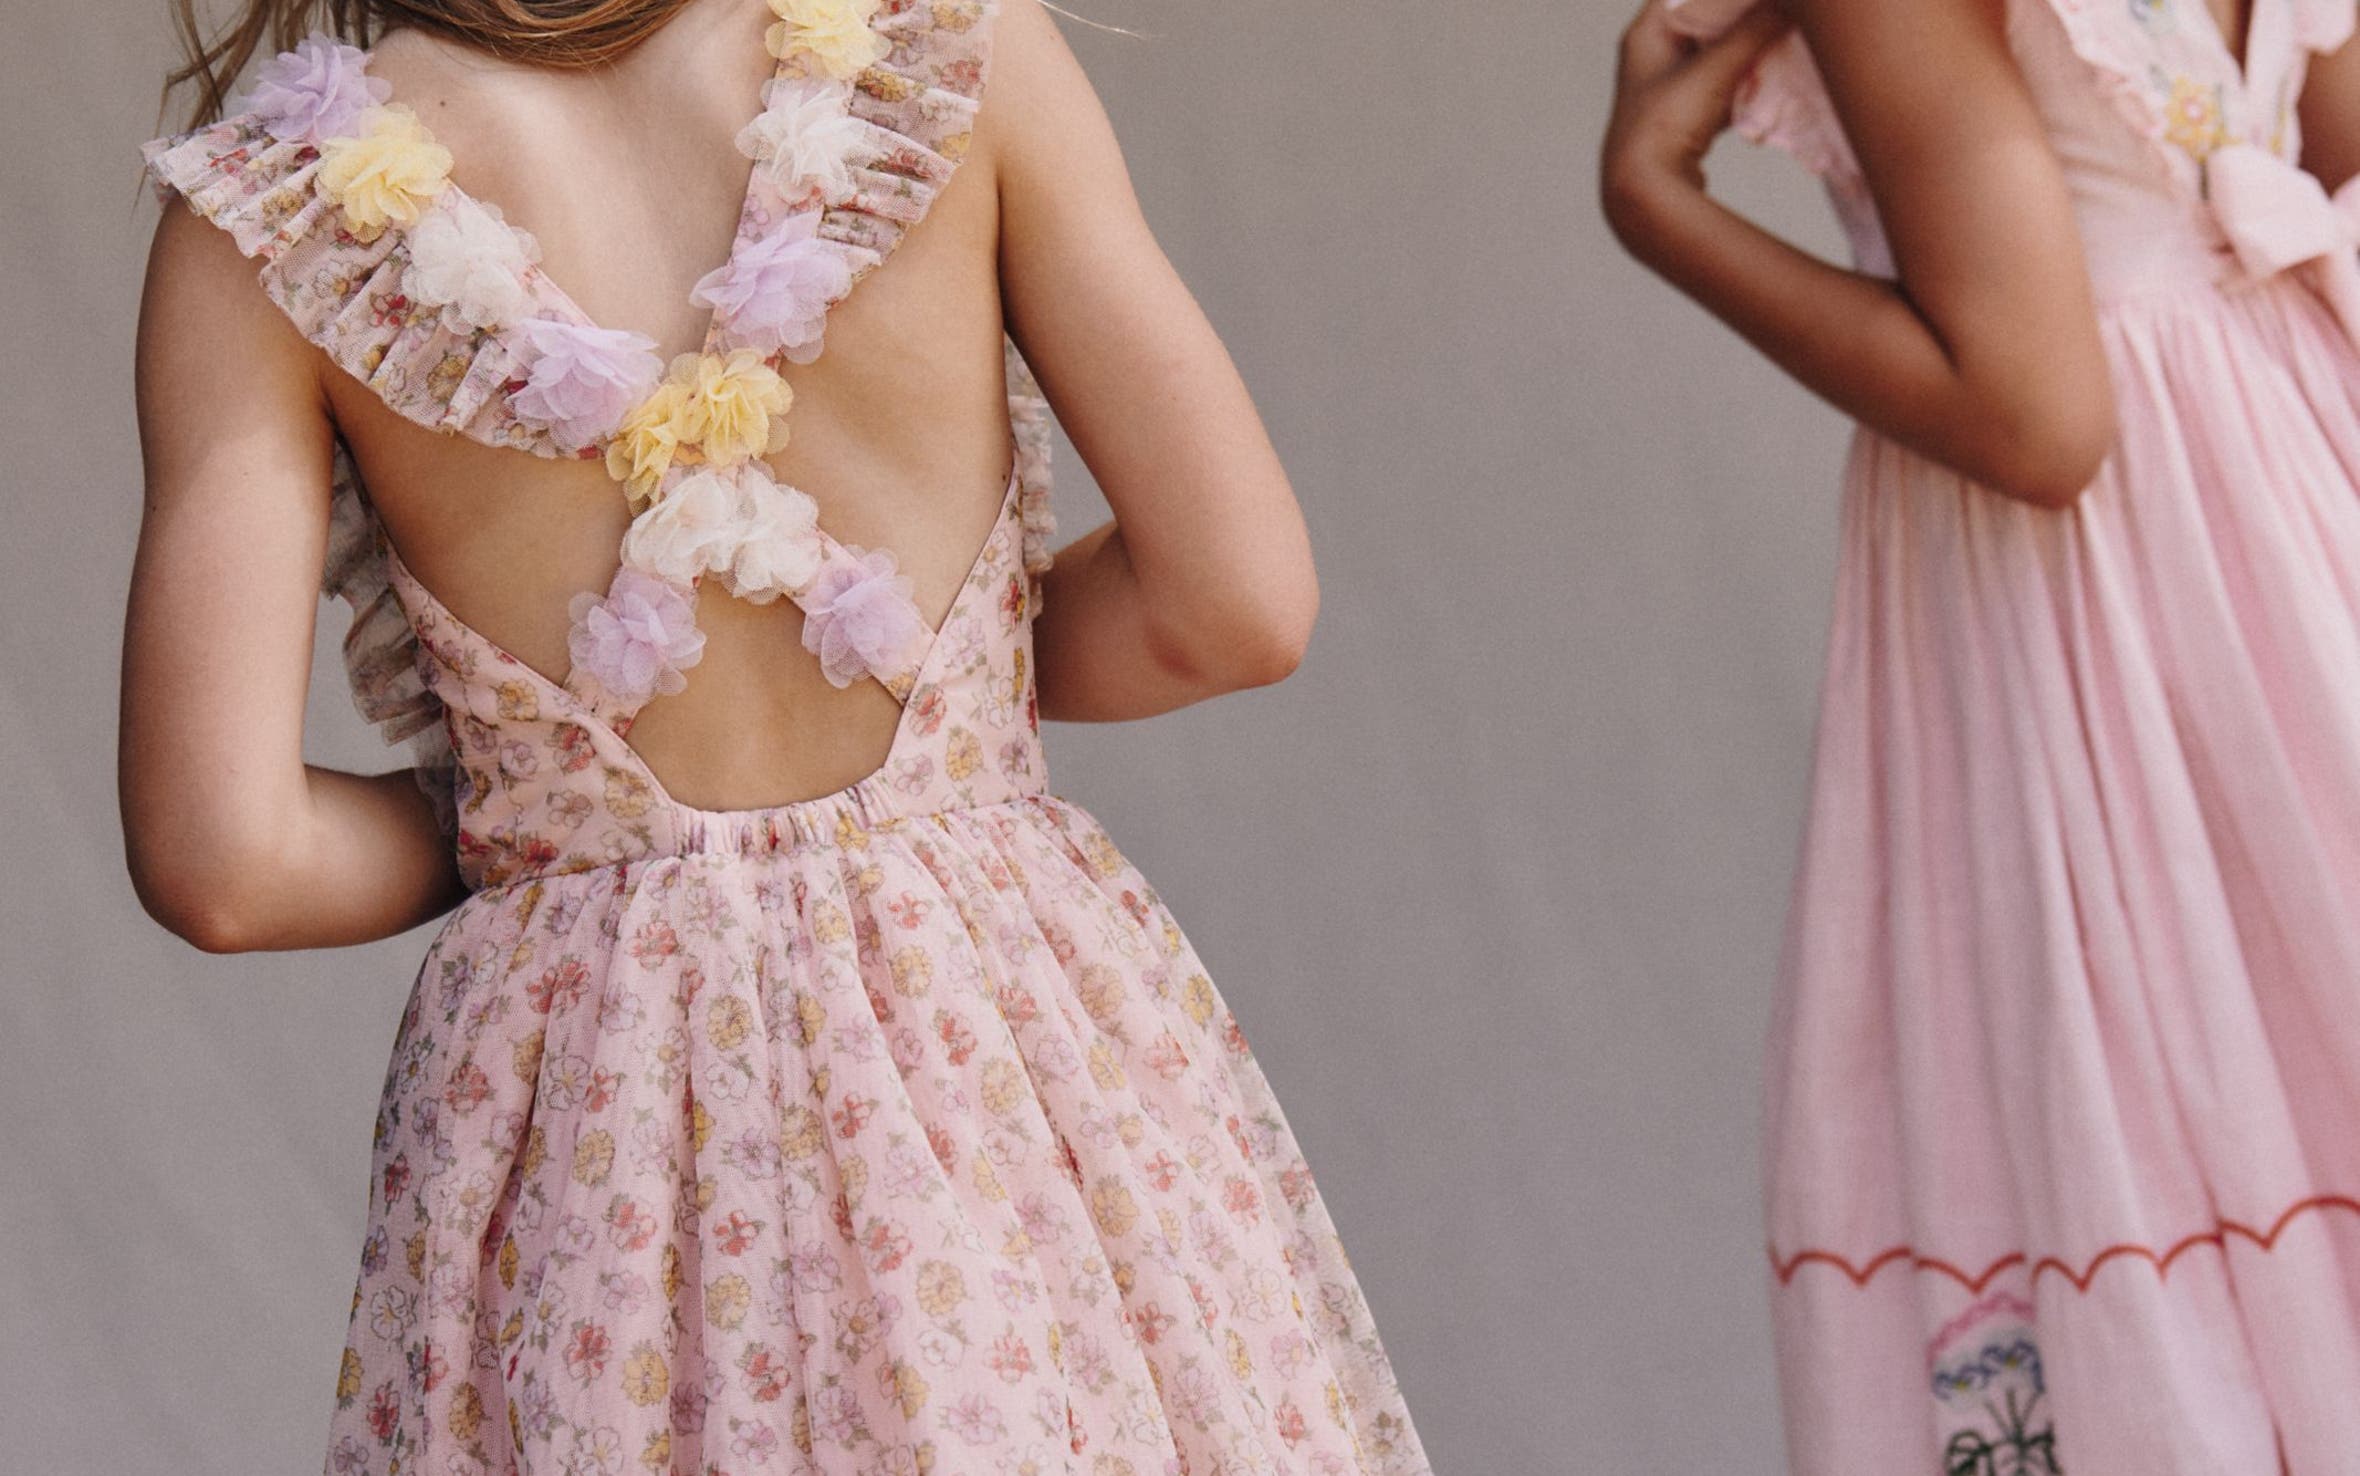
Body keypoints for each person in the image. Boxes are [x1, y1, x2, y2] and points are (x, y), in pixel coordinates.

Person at [124, 2, 1432, 1471]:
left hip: (602, 1093)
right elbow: (1234, 604)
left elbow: (227, 862)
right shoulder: (950, 51)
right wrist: (952, 696)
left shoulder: (259, 225)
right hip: (987, 1023)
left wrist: (534, 808)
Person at [1604, 0, 2360, 1469]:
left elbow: (2037, 416)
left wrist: (1655, 205)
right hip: (2312, 525)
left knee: (2151, 1102)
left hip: (2118, 609)